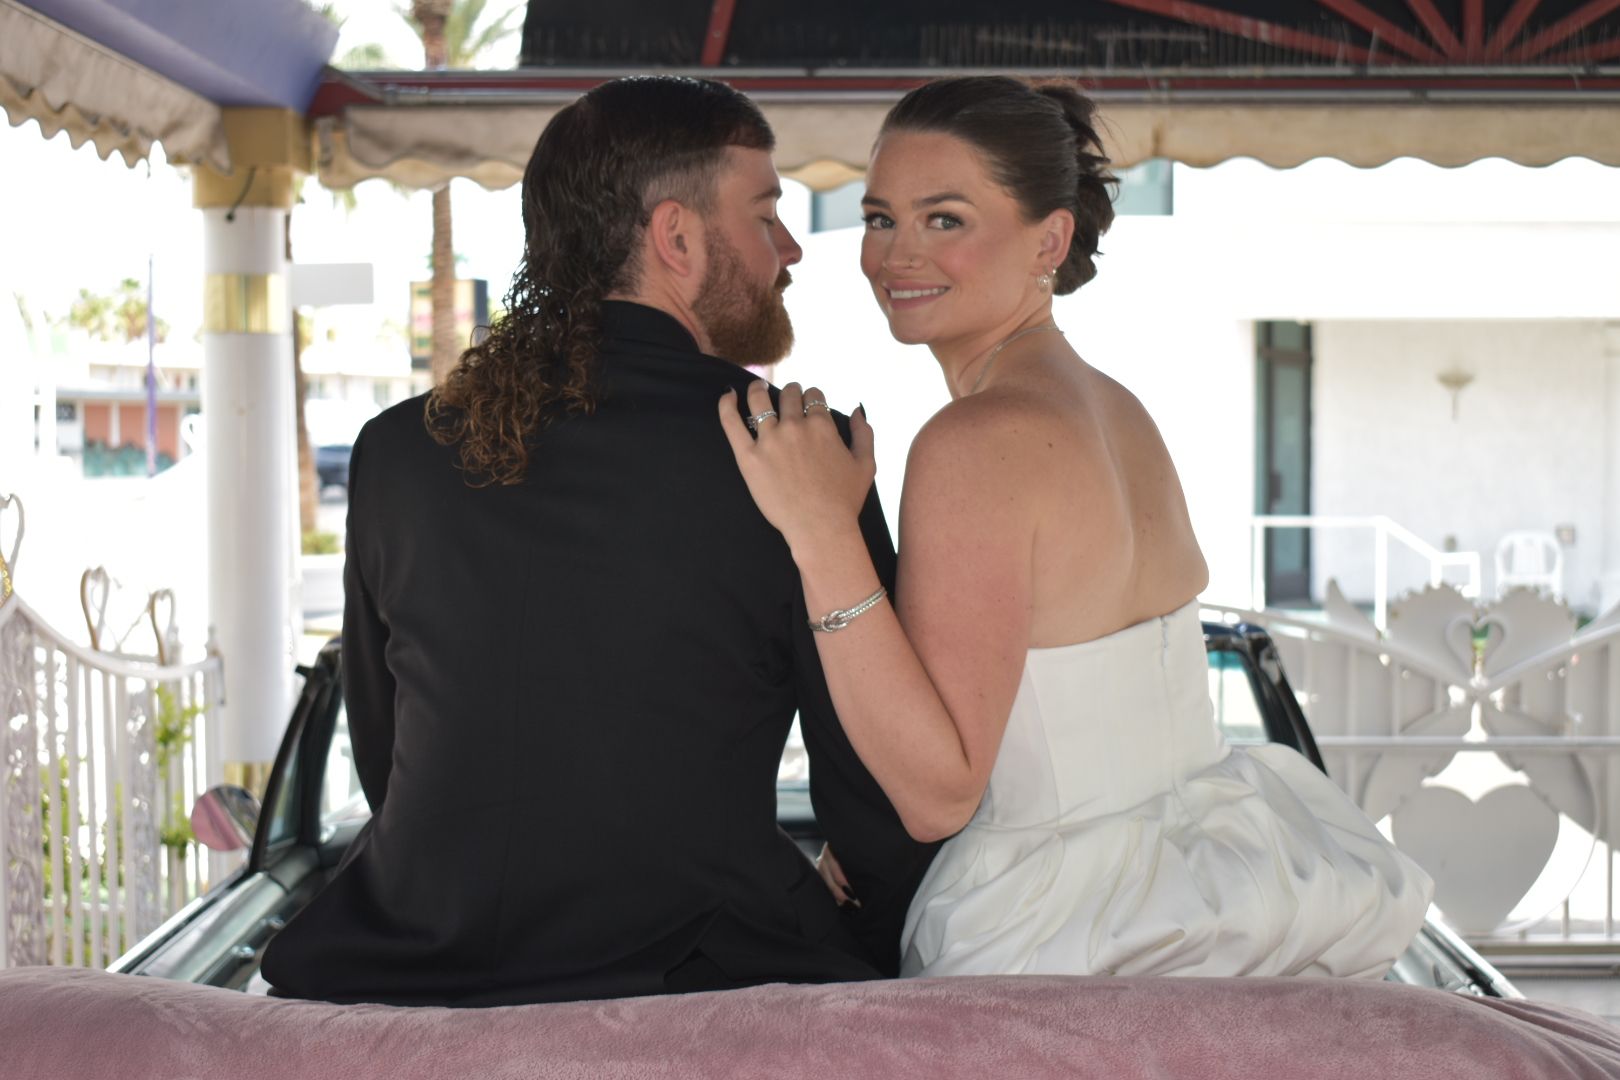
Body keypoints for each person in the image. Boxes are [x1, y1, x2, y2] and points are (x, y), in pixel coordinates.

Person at [719, 76, 1432, 980]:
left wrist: (822, 532)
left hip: (1073, 916)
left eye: (945, 219)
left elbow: (939, 794)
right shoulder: (1117, 409)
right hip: (1219, 867)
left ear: (1049, 238)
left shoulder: (973, 442)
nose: (894, 255)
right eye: (878, 217)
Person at [260, 75, 936, 1007]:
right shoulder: (793, 456)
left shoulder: (395, 451)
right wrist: (854, 912)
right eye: (767, 213)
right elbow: (874, 802)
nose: (788, 250)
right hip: (698, 976)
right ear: (677, 239)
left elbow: (390, 761)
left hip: (417, 967)